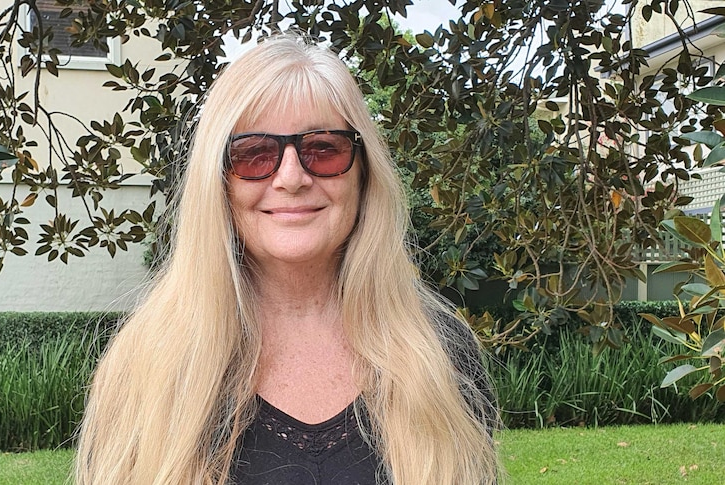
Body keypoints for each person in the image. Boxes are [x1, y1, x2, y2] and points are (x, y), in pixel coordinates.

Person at [75, 35, 499, 485]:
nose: (292, 178)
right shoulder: (147, 363)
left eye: (323, 148)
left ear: (363, 171)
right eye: (255, 154)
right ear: (218, 182)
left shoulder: (439, 355)